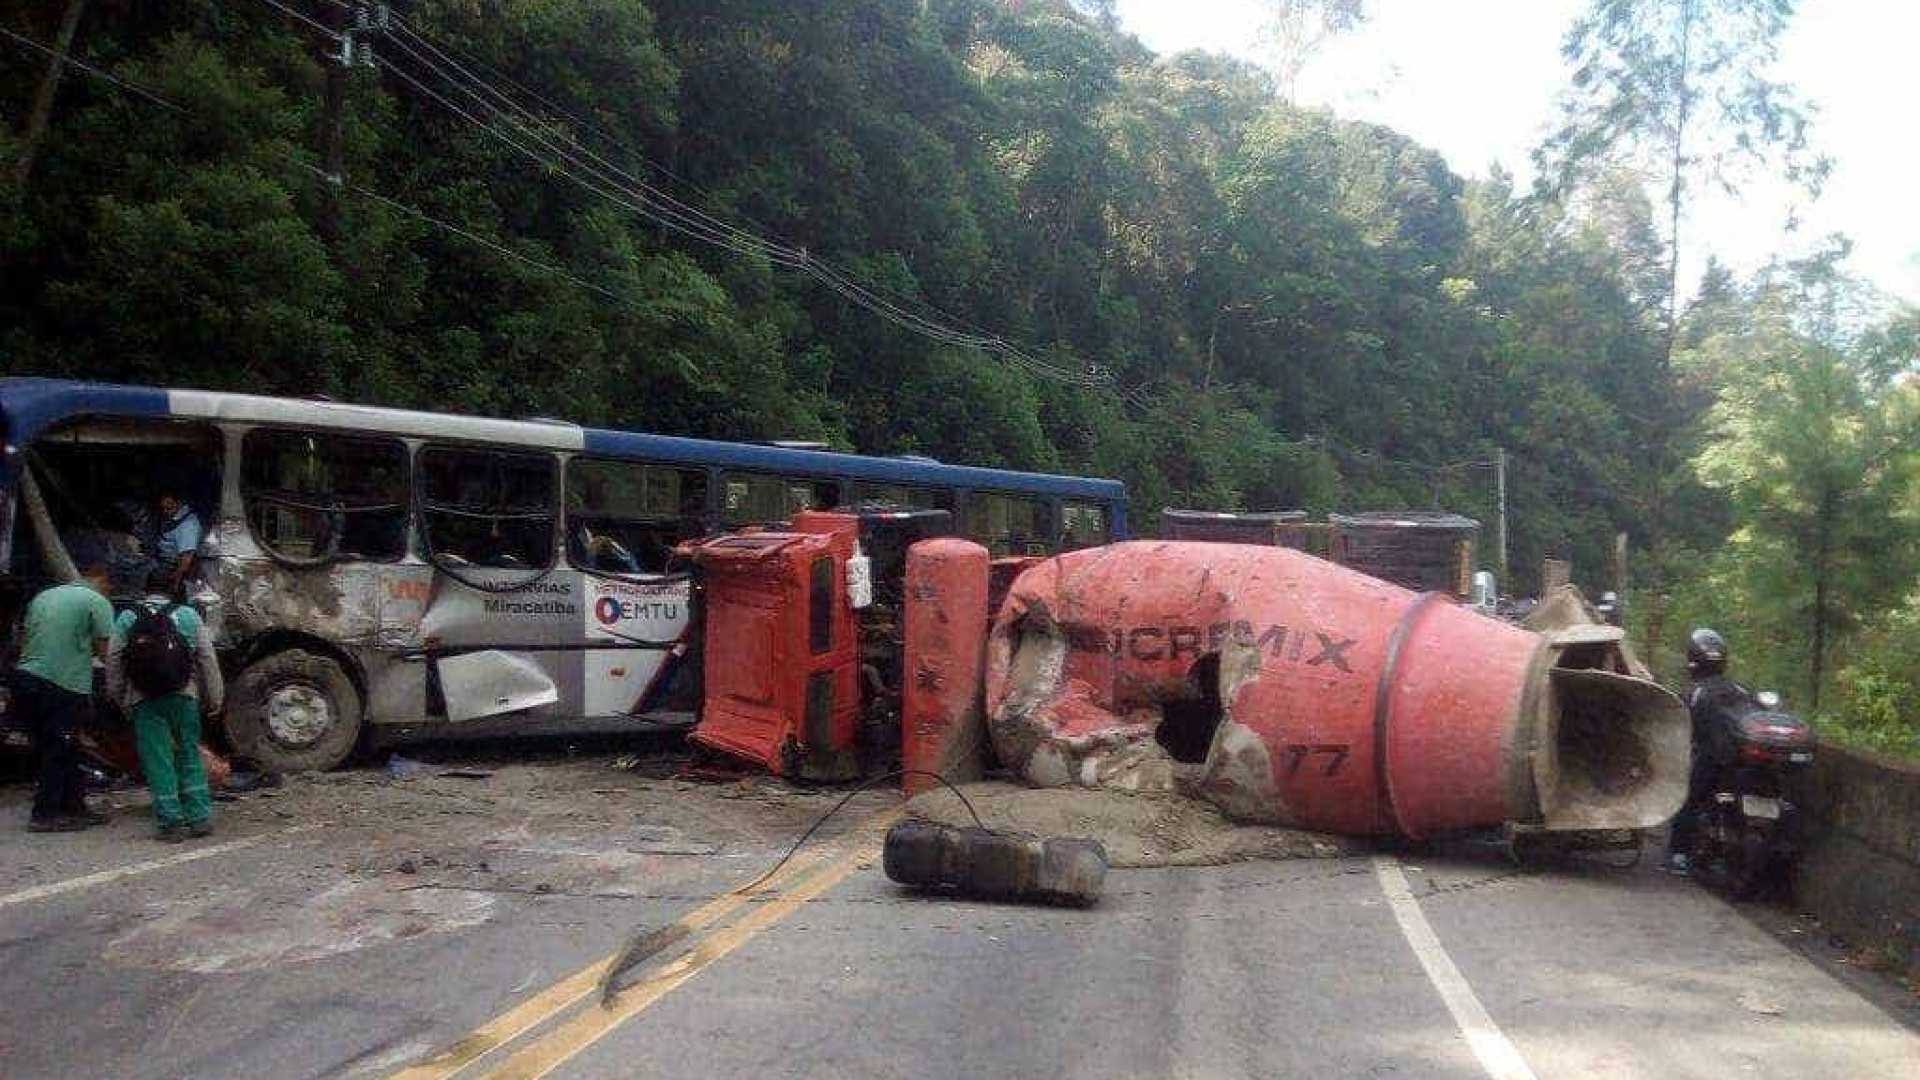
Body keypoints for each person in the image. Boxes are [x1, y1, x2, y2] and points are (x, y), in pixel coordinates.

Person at [107, 569, 223, 842]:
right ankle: (199, 817)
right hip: (185, 696)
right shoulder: (188, 615)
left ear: (145, 590)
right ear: (173, 590)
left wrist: (120, 697)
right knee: (189, 754)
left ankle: (171, 821)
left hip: (144, 699)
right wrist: (215, 699)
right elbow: (207, 659)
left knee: (157, 759)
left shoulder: (128, 617)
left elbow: (114, 660)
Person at [11, 564, 116, 832]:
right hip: (61, 683)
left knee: (64, 746)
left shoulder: (44, 596)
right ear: (103, 581)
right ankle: (44, 814)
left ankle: (74, 806)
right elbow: (107, 654)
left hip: (25, 679)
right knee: (60, 748)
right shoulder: (97, 601)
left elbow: (23, 639)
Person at [1666, 626, 1744, 875]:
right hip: (1740, 761)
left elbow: (1677, 726)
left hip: (1710, 759)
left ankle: (1678, 853)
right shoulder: (1739, 690)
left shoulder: (1695, 693)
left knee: (1687, 800)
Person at [154, 492, 203, 598]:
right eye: (163, 508)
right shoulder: (171, 517)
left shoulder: (187, 525)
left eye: (169, 507)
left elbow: (186, 559)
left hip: (173, 567)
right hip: (163, 561)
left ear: (179, 503)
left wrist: (176, 582)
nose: (165, 511)